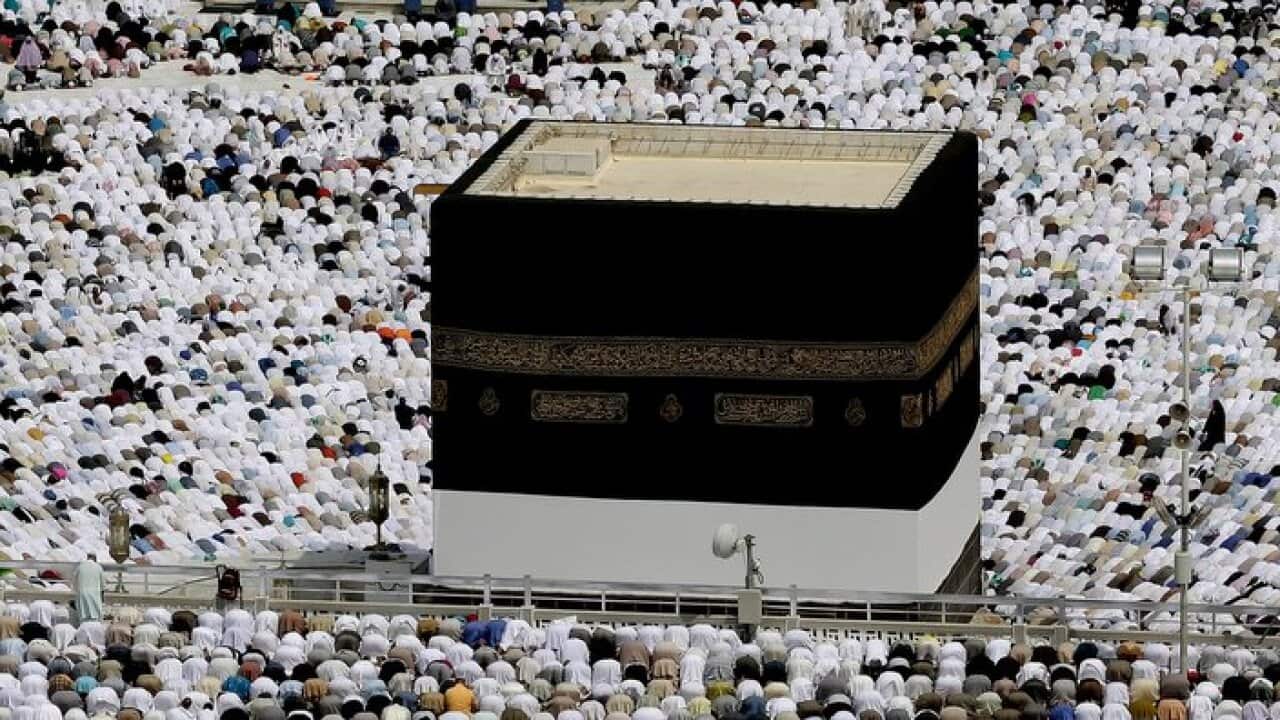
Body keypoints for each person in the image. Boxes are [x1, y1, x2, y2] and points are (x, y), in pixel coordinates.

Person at [73, 554, 104, 623]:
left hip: (82, 593)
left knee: (83, 614)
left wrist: (76, 590)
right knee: (95, 615)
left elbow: (74, 580)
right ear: (95, 558)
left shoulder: (80, 566)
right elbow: (103, 584)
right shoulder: (98, 567)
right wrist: (102, 596)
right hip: (94, 594)